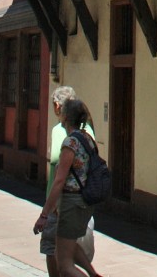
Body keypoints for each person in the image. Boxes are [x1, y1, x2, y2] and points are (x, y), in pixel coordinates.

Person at [33, 98, 100, 277]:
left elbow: (59, 180)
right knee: (67, 244)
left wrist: (44, 214)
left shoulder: (70, 143)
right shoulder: (88, 139)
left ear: (65, 118)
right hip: (86, 201)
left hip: (71, 202)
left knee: (64, 266)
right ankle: (93, 274)